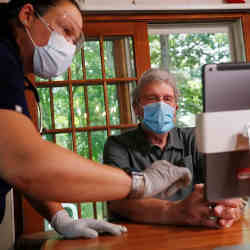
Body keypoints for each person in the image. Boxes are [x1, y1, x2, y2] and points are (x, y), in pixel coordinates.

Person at [0, 0, 193, 239]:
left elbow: (20, 163)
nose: (69, 46)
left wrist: (60, 218)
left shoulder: (13, 71)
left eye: (74, 40)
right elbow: (25, 160)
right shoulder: (2, 59)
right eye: (66, 31)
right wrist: (140, 184)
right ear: (27, 15)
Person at [104, 68, 246, 229]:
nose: (161, 105)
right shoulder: (118, 145)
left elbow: (221, 184)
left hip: (192, 232)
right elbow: (116, 201)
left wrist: (229, 207)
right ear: (137, 108)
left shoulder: (194, 138)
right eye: (152, 98)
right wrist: (176, 211)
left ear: (175, 109)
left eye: (167, 99)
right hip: (139, 234)